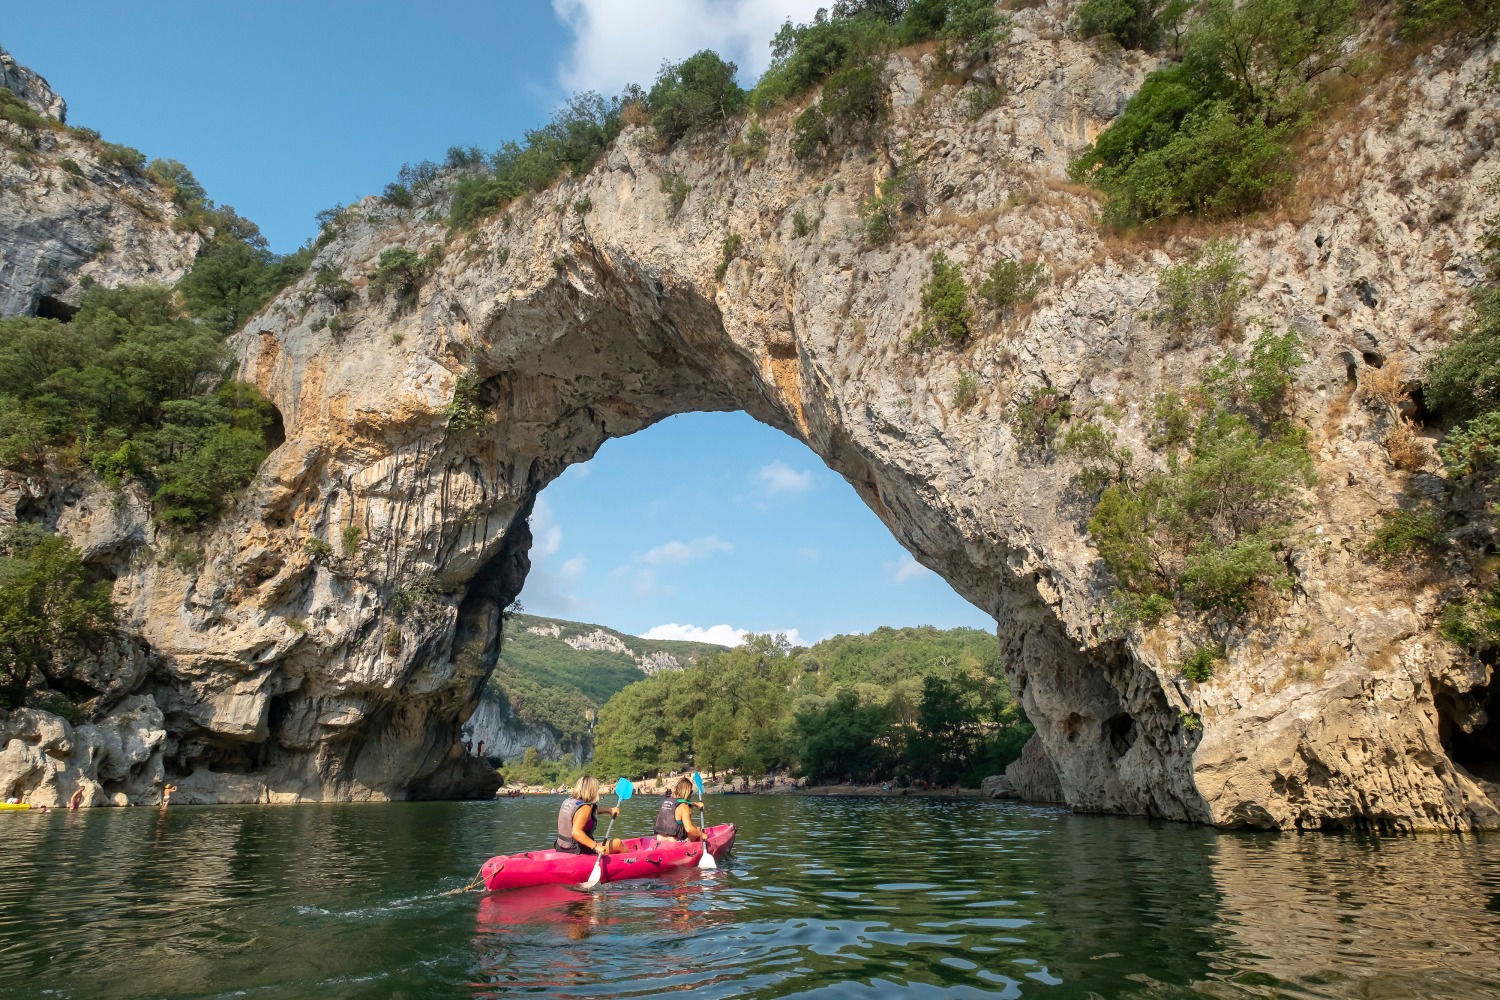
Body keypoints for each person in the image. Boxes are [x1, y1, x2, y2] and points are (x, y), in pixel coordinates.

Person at [555, 776, 623, 856]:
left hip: (561, 847)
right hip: (577, 850)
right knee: (617, 843)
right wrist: (595, 846)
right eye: (597, 789)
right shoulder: (585, 808)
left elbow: (587, 812)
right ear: (592, 790)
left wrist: (609, 810)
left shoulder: (569, 801)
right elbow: (576, 832)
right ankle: (633, 861)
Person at [653, 776, 705, 842]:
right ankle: (700, 847)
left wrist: (695, 804)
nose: (691, 794)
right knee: (697, 830)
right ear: (687, 792)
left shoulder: (667, 801)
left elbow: (679, 801)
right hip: (674, 841)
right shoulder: (684, 806)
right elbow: (689, 829)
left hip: (659, 838)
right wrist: (701, 834)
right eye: (691, 791)